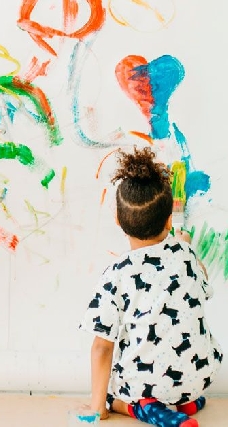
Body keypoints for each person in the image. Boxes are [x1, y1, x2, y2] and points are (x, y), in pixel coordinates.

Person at [79, 147, 222, 427]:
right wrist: (184, 247)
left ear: (119, 221)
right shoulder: (187, 254)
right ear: (169, 219)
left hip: (150, 386)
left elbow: (101, 347)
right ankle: (183, 403)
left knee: (108, 394)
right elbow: (202, 286)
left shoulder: (117, 275)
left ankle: (146, 409)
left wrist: (98, 408)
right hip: (201, 378)